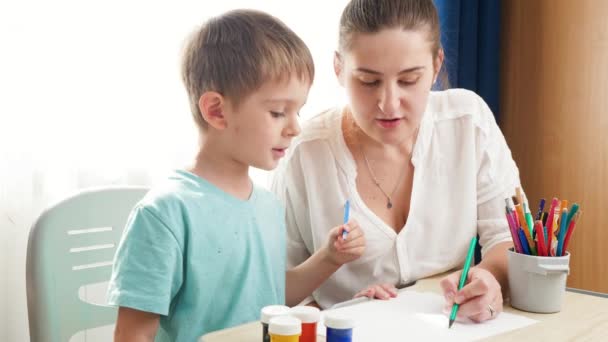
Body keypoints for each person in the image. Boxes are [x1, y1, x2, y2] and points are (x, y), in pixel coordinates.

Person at [107, 9, 365, 342]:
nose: (295, 128)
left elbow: (269, 302)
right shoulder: (165, 214)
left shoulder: (268, 205)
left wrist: (328, 258)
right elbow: (133, 334)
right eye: (277, 112)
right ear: (216, 111)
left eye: (297, 111)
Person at [271, 0, 520, 324]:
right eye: (369, 81)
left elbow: (507, 237)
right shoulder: (305, 155)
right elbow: (281, 288)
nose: (389, 103)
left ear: (435, 65)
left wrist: (489, 278)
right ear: (339, 69)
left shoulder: (468, 122)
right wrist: (342, 312)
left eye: (408, 80)